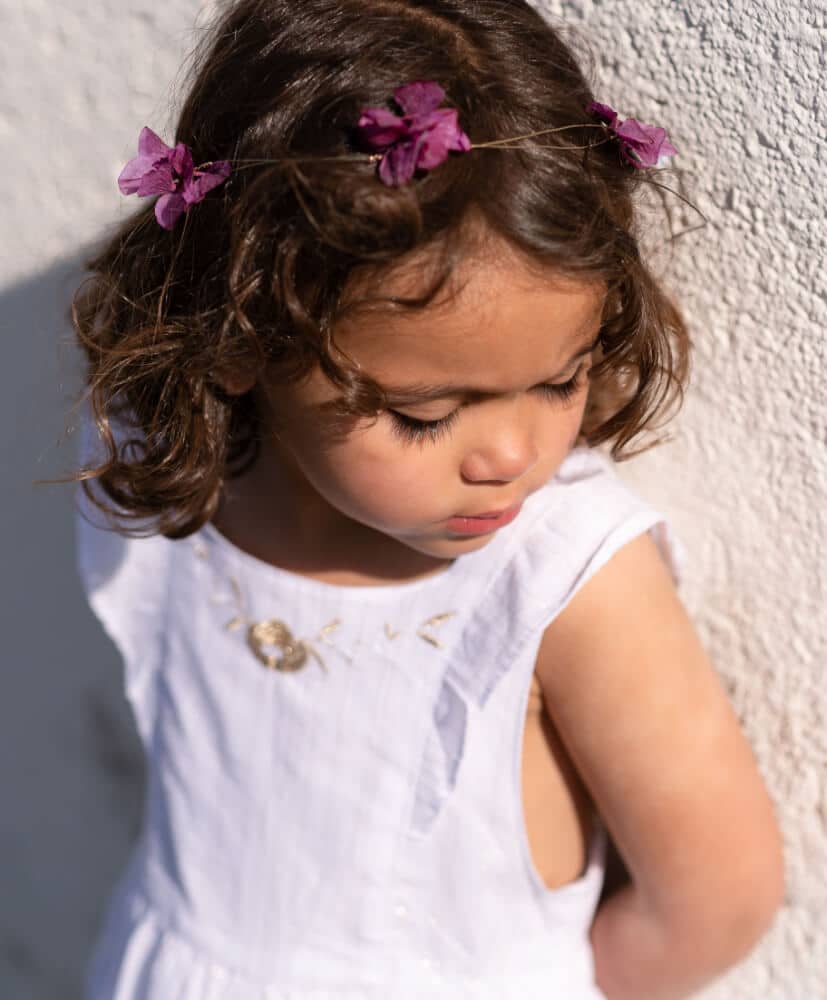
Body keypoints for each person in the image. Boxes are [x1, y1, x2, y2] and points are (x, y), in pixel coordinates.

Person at [70, 1, 784, 997]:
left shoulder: (565, 574)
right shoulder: (159, 470)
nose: (510, 453)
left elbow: (717, 891)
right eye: (422, 413)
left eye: (558, 379)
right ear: (237, 340)